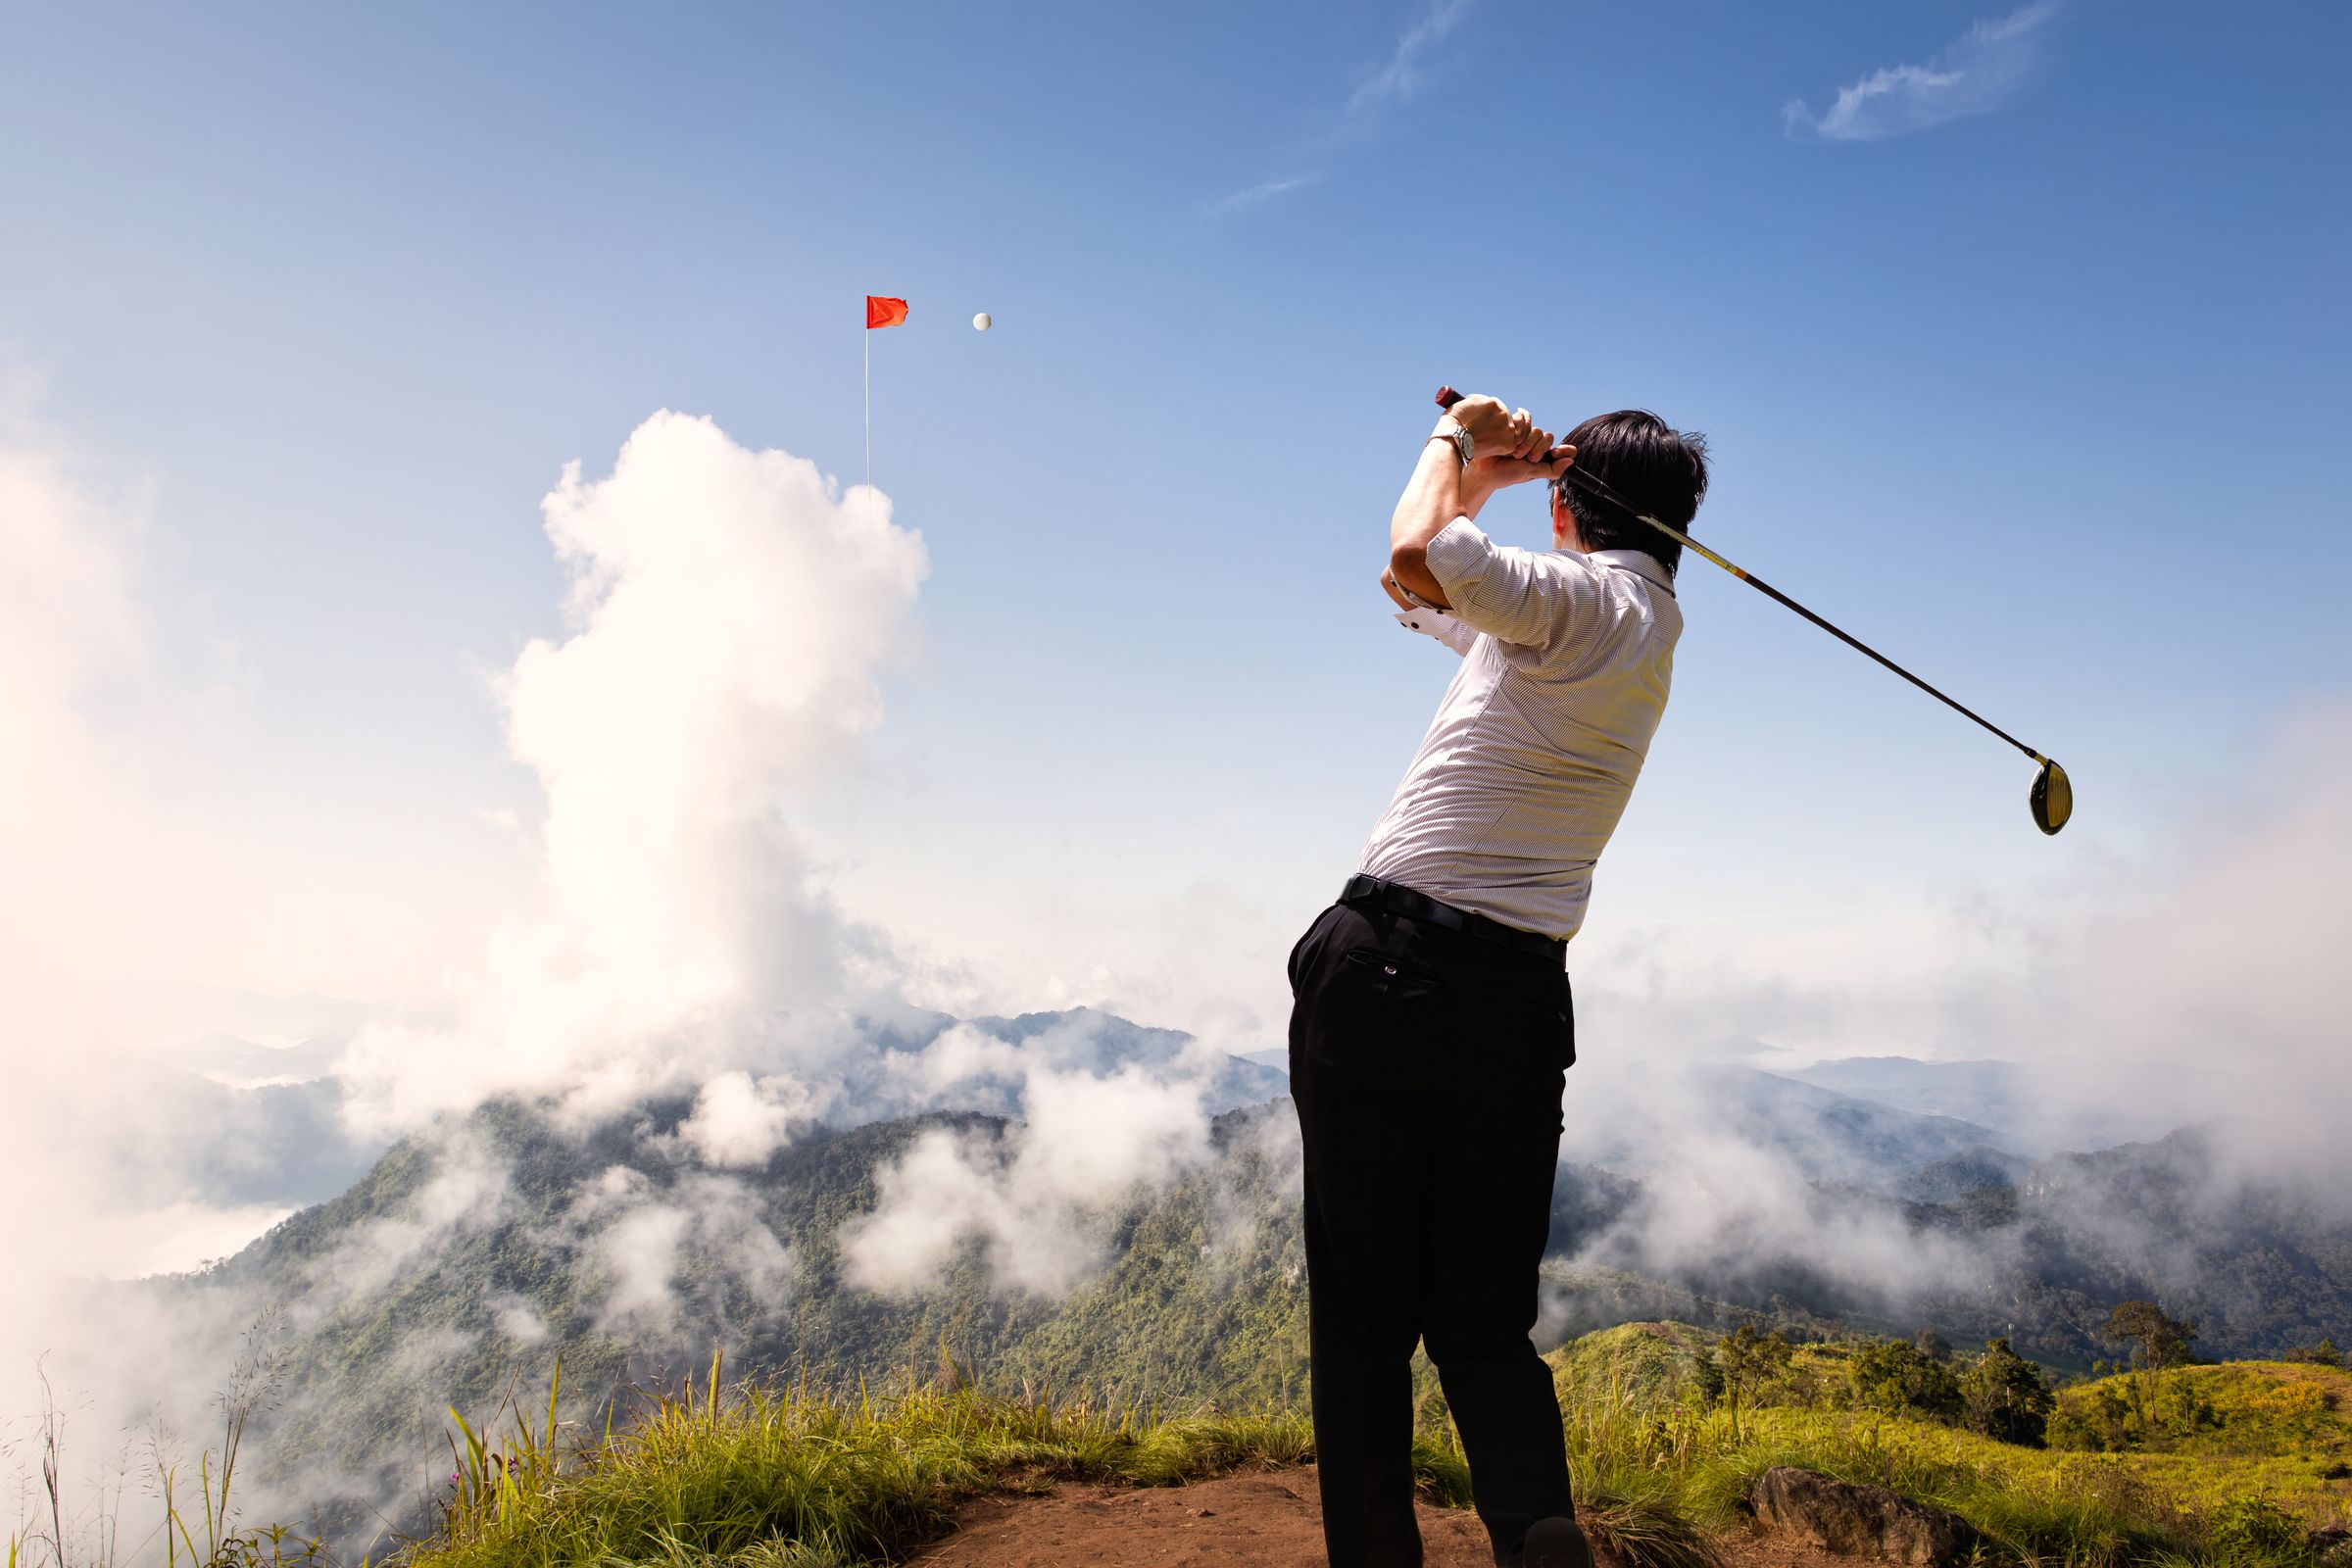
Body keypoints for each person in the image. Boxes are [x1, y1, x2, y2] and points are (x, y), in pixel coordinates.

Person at [1286, 392, 1710, 1568]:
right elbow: (1421, 587)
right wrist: (1505, 483)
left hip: (1390, 972)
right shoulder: (1639, 625)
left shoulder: (1574, 600)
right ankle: (1532, 1526)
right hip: (1519, 1006)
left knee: (1365, 1326)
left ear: (1576, 507)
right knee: (1483, 1319)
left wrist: (1456, 444)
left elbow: (1411, 551)